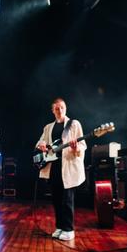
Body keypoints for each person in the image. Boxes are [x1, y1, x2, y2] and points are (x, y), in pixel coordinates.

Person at [35, 98, 86, 241]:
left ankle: (69, 229)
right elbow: (40, 142)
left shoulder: (74, 124)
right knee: (56, 199)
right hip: (53, 167)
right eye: (57, 108)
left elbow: (83, 146)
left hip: (68, 167)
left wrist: (76, 147)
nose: (60, 110)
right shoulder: (48, 127)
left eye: (62, 107)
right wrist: (42, 145)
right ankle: (59, 227)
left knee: (67, 199)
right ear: (53, 110)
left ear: (66, 108)